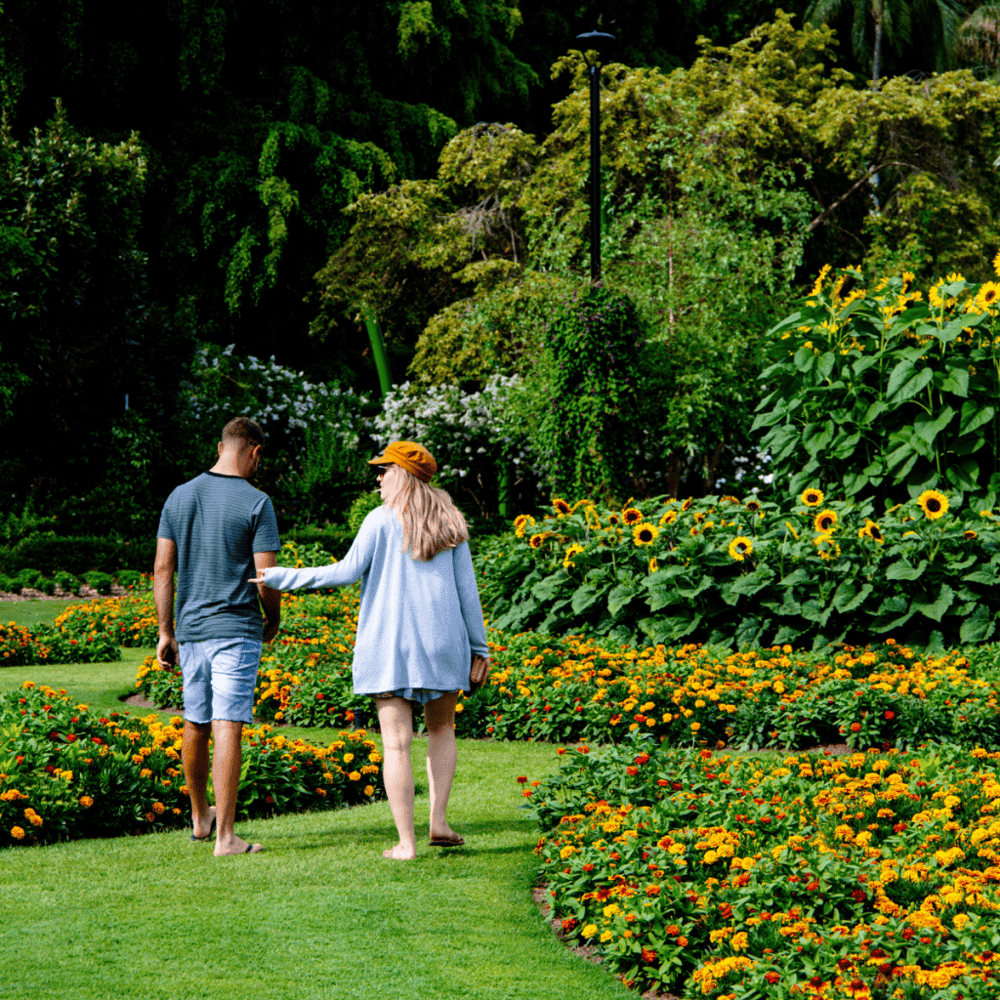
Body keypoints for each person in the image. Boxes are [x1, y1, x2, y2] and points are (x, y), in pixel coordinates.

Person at [249, 440, 490, 860]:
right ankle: (439, 821)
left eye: (384, 470)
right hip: (444, 644)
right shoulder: (451, 522)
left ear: (403, 475)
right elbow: (468, 592)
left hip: (390, 644)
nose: (377, 478)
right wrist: (479, 648)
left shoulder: (379, 521)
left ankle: (407, 843)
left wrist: (279, 576)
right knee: (442, 730)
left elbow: (343, 573)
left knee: (396, 745)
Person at [154, 415, 281, 856]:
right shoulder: (257, 502)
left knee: (196, 720)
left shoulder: (179, 495)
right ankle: (226, 837)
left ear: (220, 445)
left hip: (190, 632)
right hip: (236, 630)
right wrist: (274, 618)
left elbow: (162, 569)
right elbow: (265, 578)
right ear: (254, 452)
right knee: (229, 723)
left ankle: (200, 818)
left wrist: (165, 631)